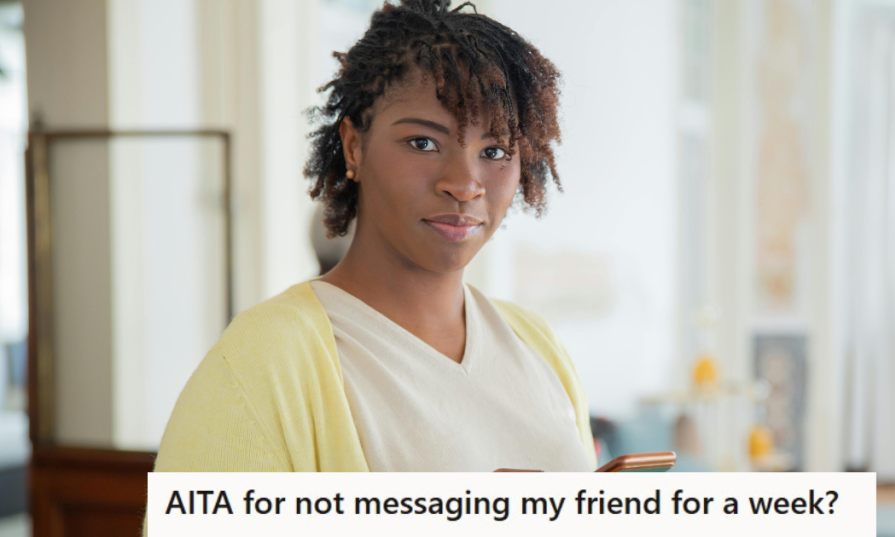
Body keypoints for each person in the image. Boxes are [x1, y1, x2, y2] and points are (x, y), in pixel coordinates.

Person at [153, 0, 595, 474]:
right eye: (423, 143)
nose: (465, 184)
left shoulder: (536, 343)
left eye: (495, 151)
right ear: (354, 147)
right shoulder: (261, 363)